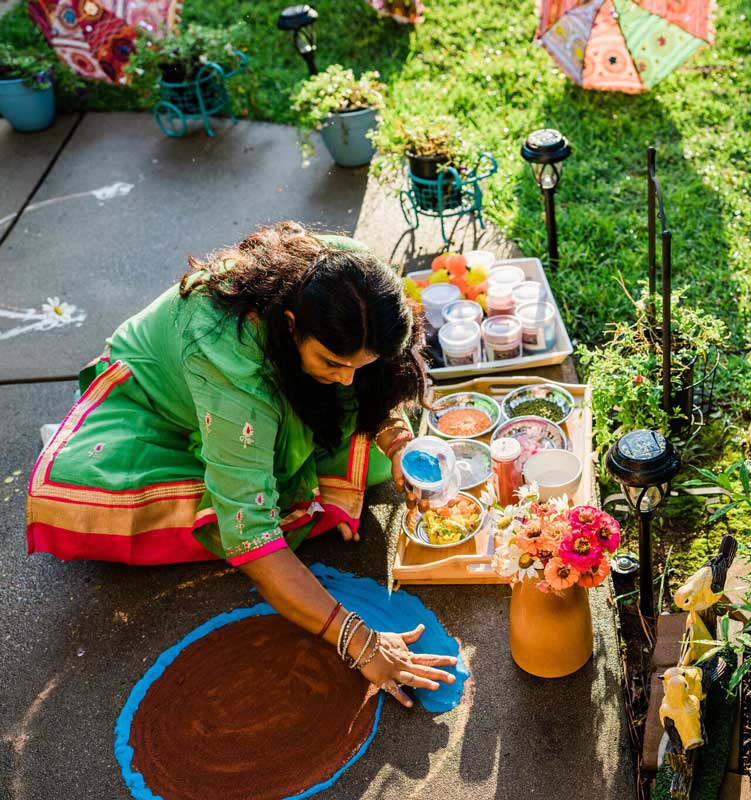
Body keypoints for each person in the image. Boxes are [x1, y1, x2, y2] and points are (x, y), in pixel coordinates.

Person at [25, 221, 456, 705]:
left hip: (253, 397)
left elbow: (372, 382)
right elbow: (252, 536)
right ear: (291, 326)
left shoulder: (354, 279)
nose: (347, 381)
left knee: (375, 464)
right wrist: (358, 640)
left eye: (361, 366)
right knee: (191, 518)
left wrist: (396, 439)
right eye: (333, 363)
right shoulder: (226, 355)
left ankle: (280, 444)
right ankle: (81, 440)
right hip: (159, 401)